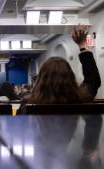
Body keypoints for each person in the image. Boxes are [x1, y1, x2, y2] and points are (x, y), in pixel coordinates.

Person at [19, 25, 102, 169]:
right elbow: (93, 80)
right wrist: (82, 46)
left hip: (37, 159)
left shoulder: (28, 103)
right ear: (70, 77)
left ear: (41, 79)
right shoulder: (79, 100)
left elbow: (21, 132)